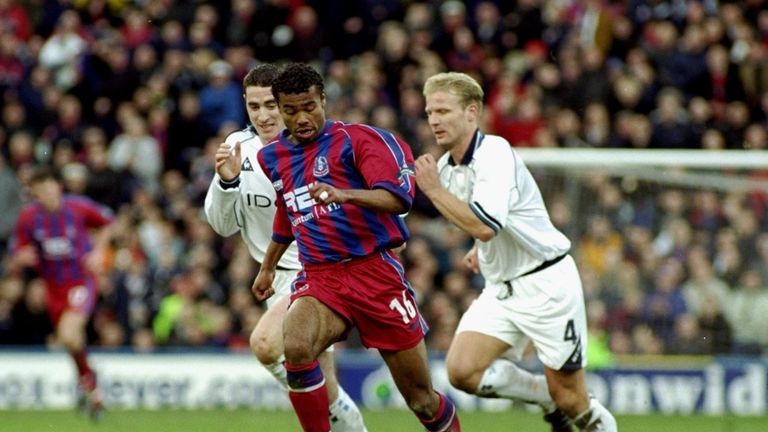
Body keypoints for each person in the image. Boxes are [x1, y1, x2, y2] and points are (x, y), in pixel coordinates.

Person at [252, 63, 461, 432]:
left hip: (375, 273)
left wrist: (344, 194)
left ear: (324, 100)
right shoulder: (272, 157)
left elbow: (399, 199)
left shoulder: (359, 139)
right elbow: (288, 210)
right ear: (280, 109)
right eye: (290, 110)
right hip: (321, 276)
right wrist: (268, 266)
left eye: (309, 106)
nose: (301, 117)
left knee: (421, 400)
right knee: (297, 345)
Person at [414, 72, 618, 432]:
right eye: (430, 112)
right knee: (462, 370)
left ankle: (578, 410)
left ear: (471, 113)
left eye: (444, 111)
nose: (434, 120)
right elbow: (484, 222)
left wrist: (436, 194)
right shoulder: (446, 170)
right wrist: (480, 247)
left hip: (546, 284)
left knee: (571, 398)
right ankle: (542, 395)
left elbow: (484, 224)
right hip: (502, 288)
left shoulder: (495, 152)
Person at [203, 63, 366, 431]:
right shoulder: (236, 148)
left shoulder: (316, 147)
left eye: (270, 106)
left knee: (264, 343)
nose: (262, 115)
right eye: (253, 106)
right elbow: (222, 225)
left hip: (318, 273)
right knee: (329, 395)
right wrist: (227, 183)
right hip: (274, 279)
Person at [7, 165, 114, 421]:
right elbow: (17, 247)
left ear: (58, 187)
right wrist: (20, 257)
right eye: (39, 190)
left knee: (68, 333)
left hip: (80, 281)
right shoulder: (30, 217)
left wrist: (99, 251)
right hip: (52, 288)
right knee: (71, 341)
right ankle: (90, 383)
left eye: (49, 187)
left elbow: (108, 223)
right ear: (34, 192)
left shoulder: (78, 207)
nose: (46, 193)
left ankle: (88, 381)